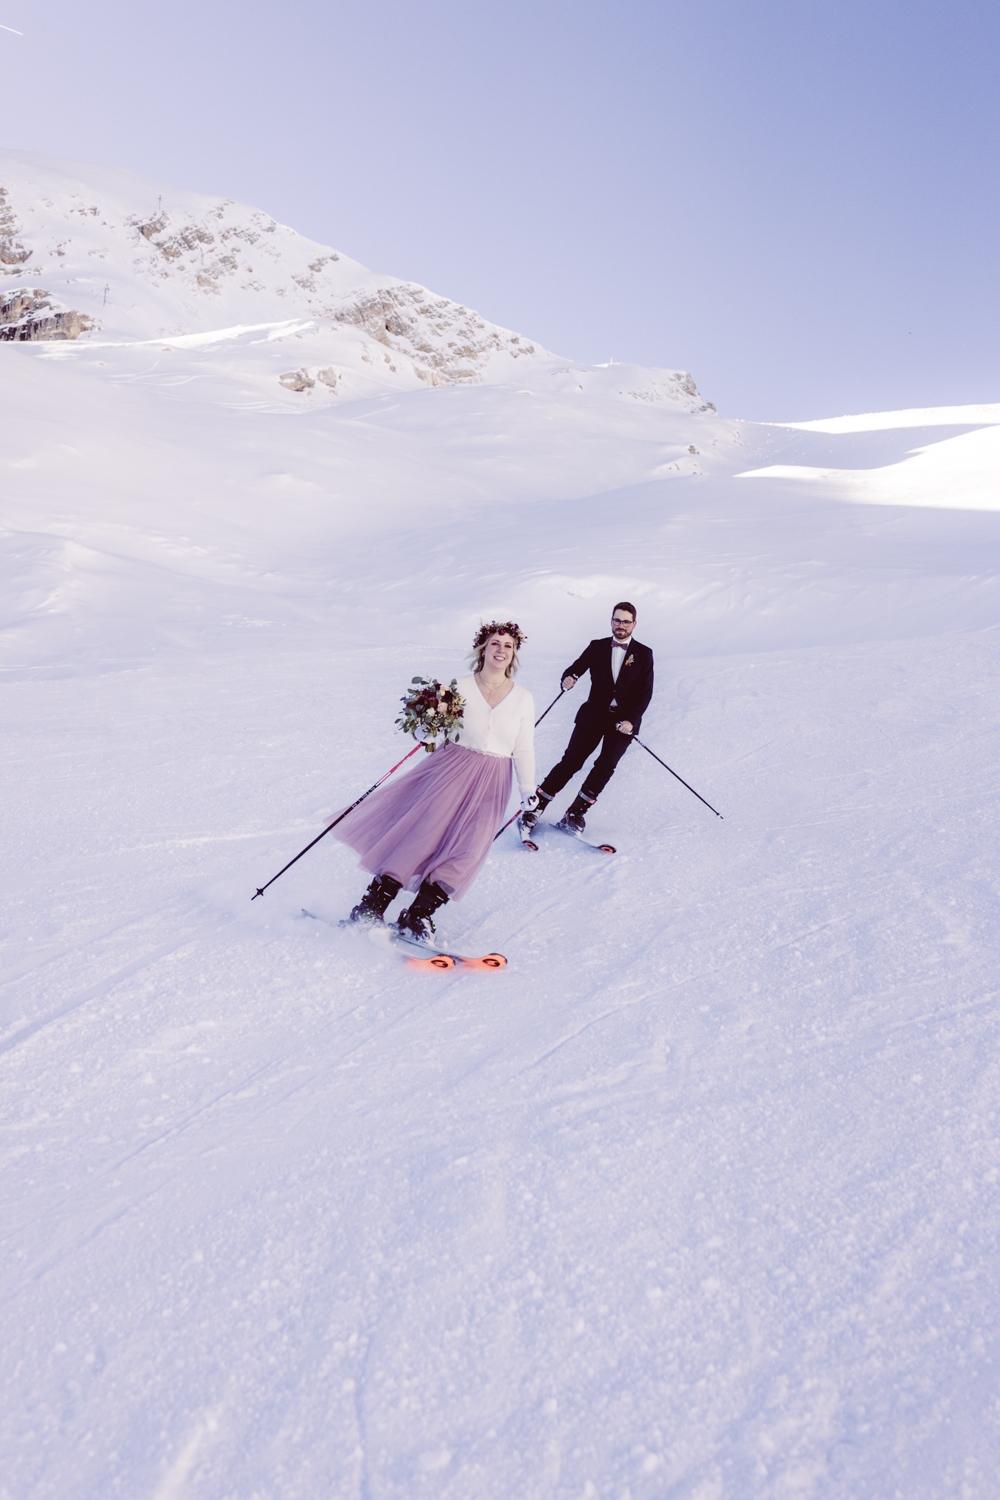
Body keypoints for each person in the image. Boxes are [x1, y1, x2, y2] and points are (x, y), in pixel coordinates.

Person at [335, 623, 536, 939]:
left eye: (508, 645)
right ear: (483, 648)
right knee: (422, 836)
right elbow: (434, 729)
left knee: (469, 849)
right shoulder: (459, 687)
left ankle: (418, 915)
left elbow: (523, 747)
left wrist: (527, 788)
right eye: (495, 643)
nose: (501, 650)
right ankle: (371, 907)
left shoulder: (523, 698)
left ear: (514, 653)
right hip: (452, 767)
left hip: (494, 780)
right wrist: (424, 731)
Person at [524, 601, 653, 834]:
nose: (621, 625)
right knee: (571, 762)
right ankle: (536, 807)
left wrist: (631, 721)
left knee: (605, 767)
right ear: (611, 621)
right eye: (617, 620)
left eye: (626, 621)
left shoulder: (644, 654)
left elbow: (645, 692)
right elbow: (576, 668)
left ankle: (575, 813)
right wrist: (569, 678)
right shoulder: (597, 647)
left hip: (622, 723)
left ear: (634, 624)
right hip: (593, 716)